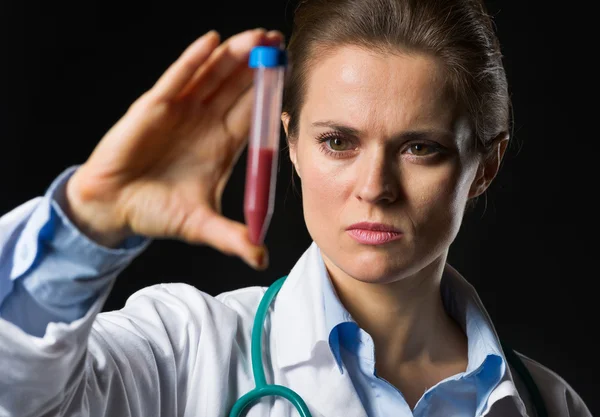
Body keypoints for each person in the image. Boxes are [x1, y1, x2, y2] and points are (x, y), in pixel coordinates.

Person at [0, 0, 591, 416]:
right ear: (291, 144)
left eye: (420, 148)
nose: (374, 187)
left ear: (485, 165)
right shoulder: (182, 351)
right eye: (339, 141)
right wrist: (85, 225)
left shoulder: (550, 403)